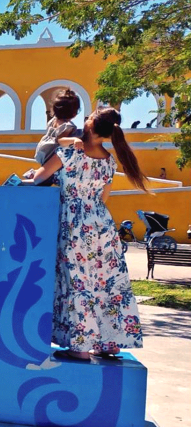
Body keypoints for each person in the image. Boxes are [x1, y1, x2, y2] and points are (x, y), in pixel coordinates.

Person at [23, 107, 146, 360]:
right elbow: (104, 197)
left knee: (78, 281)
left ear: (89, 125)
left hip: (74, 225)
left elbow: (38, 178)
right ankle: (109, 342)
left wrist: (28, 176)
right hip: (101, 224)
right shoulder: (109, 162)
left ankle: (80, 346)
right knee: (107, 281)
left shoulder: (68, 153)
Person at [23, 89, 83, 181]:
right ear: (75, 114)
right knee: (51, 174)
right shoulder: (68, 126)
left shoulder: (54, 121)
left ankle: (36, 173)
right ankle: (37, 176)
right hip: (51, 153)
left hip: (43, 151)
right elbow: (61, 140)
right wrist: (74, 139)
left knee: (46, 171)